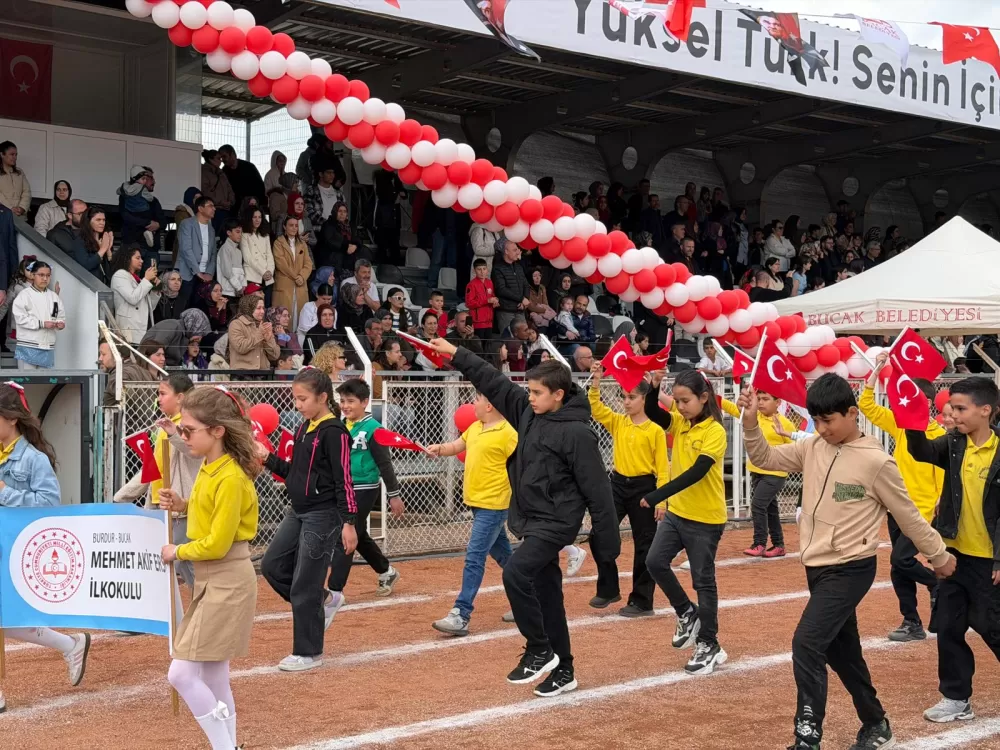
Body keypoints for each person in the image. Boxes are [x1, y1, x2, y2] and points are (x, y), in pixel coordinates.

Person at [738, 375, 955, 750]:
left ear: (852, 413)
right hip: (817, 567)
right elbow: (764, 457)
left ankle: (807, 737)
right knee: (843, 652)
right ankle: (876, 723)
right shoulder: (812, 448)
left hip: (852, 566)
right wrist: (751, 421)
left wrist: (938, 557)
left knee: (806, 643)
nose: (821, 429)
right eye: (816, 421)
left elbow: (909, 517)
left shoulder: (876, 462)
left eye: (829, 421)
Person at [425, 338, 619, 697]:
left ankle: (539, 647)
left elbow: (598, 493)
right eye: (528, 390)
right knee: (548, 596)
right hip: (532, 520)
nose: (528, 396)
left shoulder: (578, 433)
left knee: (515, 572)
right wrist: (456, 354)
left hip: (557, 523)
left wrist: (606, 546)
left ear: (558, 394)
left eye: (536, 392)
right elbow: (493, 381)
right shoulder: (528, 413)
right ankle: (564, 669)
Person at [158, 387, 260, 750]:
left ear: (217, 430)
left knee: (182, 673)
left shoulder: (230, 476)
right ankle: (228, 744)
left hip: (226, 578)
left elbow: (218, 543)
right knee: (216, 676)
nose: (182, 436)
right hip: (213, 579)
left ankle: (225, 747)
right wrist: (183, 504)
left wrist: (177, 550)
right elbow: (211, 518)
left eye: (188, 430)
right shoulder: (210, 466)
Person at [904, 376, 1000, 725]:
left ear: (985, 410)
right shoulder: (954, 444)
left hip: (990, 560)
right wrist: (914, 423)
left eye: (960, 408)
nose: (952, 414)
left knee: (993, 627)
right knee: (948, 627)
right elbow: (923, 452)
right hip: (954, 556)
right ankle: (956, 698)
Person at [0, 384, 90, 712]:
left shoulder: (34, 460)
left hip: (13, 551)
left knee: (7, 619)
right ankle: (69, 644)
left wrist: (4, 491)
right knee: (6, 620)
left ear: (11, 419)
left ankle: (70, 644)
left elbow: (49, 505)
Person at [260, 368, 355, 671]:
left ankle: (309, 651)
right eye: (295, 398)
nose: (297, 404)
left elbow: (344, 480)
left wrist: (349, 522)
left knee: (305, 582)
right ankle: (325, 600)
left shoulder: (335, 432)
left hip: (323, 514)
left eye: (302, 399)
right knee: (272, 565)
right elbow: (293, 473)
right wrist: (267, 459)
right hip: (297, 510)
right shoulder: (304, 428)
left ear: (323, 398)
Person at [640, 369, 729, 676]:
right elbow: (652, 410)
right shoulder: (681, 424)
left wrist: (656, 495)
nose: (680, 407)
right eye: (676, 401)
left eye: (686, 401)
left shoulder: (714, 431)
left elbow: (697, 472)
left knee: (704, 582)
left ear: (704, 398)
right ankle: (686, 612)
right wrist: (654, 388)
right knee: (655, 562)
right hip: (678, 513)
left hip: (705, 519)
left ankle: (709, 643)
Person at [859, 353, 945, 642]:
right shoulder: (900, 424)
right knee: (898, 567)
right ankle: (911, 621)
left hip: (920, 510)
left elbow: (943, 480)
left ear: (930, 404)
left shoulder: (939, 435)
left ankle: (937, 584)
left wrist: (938, 506)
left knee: (901, 560)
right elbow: (866, 405)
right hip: (895, 507)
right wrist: (878, 369)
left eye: (917, 398)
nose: (908, 403)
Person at [428, 391, 518, 636]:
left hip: (494, 504)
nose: (472, 404)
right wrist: (439, 449)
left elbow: (524, 463)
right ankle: (529, 602)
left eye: (476, 399)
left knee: (474, 557)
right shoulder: (476, 427)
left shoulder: (509, 432)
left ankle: (461, 613)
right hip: (477, 504)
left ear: (489, 405)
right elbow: (458, 446)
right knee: (506, 559)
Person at [587, 362, 668, 617]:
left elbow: (662, 468)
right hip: (618, 484)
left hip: (645, 488)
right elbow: (596, 409)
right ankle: (609, 588)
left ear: (644, 399)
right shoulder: (619, 422)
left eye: (632, 397)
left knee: (645, 544)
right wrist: (597, 381)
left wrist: (661, 500)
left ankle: (642, 601)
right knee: (599, 534)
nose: (626, 401)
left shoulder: (655, 430)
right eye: (624, 397)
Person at [113, 374, 199, 589]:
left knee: (182, 560)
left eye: (162, 393)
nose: (158, 399)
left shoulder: (191, 424)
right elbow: (153, 468)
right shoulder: (163, 427)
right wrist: (124, 494)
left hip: (181, 507)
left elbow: (192, 452)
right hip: (159, 505)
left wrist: (173, 433)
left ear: (180, 398)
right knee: (161, 560)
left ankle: (207, 604)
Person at [331, 379, 403, 601]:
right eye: (342, 401)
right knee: (357, 534)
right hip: (344, 487)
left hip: (364, 488)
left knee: (345, 534)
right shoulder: (340, 425)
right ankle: (386, 571)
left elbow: (385, 464)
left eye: (350, 401)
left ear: (364, 402)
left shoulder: (374, 429)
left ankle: (334, 590)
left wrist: (394, 494)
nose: (345, 405)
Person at [720, 392, 795, 558]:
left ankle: (759, 543)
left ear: (778, 402)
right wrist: (715, 397)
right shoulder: (754, 416)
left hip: (776, 472)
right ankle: (778, 545)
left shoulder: (785, 423)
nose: (760, 403)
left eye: (766, 399)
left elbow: (795, 448)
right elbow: (733, 409)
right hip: (757, 471)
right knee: (771, 509)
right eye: (759, 399)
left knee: (758, 505)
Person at [12, 260, 65, 370]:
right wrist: (41, 324)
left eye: (48, 275)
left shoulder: (54, 297)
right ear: (32, 275)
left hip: (47, 346)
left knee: (44, 384)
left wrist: (60, 323)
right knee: (27, 382)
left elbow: (59, 315)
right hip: (28, 345)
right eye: (41, 275)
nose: (45, 279)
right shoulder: (24, 295)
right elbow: (20, 318)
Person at [117, 165, 164, 270]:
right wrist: (147, 223)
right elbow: (126, 216)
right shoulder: (126, 197)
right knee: (131, 280)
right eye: (150, 178)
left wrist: (158, 224)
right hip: (133, 246)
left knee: (150, 283)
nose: (154, 181)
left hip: (151, 251)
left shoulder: (154, 201)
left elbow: (163, 221)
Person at [110, 245, 160, 344]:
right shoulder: (120, 275)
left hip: (140, 328)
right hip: (129, 330)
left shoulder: (137, 278)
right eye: (137, 258)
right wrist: (146, 279)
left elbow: (149, 308)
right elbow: (133, 299)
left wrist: (155, 290)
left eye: (141, 258)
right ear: (127, 258)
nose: (141, 261)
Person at [272, 214, 314, 331]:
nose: (294, 228)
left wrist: (302, 276)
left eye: (296, 225)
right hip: (285, 285)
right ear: (284, 227)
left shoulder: (302, 244)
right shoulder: (278, 243)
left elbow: (308, 264)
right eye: (291, 225)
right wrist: (297, 276)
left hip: (300, 286)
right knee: (283, 319)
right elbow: (281, 264)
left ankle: (297, 346)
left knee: (299, 317)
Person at [176, 196, 218, 310]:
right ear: (200, 208)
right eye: (210, 206)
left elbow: (214, 253)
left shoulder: (211, 229)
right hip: (188, 273)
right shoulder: (187, 224)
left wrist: (209, 272)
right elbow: (186, 249)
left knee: (201, 308)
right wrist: (197, 272)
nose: (214, 209)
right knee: (184, 307)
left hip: (205, 275)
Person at [227, 293, 279, 371]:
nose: (262, 311)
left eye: (263, 308)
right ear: (249, 308)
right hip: (242, 374)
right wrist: (260, 334)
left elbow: (275, 355)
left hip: (263, 373)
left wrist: (268, 341)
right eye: (258, 308)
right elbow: (241, 347)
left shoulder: (263, 325)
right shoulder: (236, 324)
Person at [492, 238, 530, 335]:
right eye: (514, 250)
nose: (517, 252)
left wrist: (525, 300)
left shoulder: (518, 267)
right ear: (506, 251)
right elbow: (501, 289)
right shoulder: (497, 268)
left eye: (517, 249)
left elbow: (526, 285)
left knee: (524, 338)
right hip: (506, 311)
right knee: (508, 340)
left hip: (520, 310)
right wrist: (521, 299)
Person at [240, 208, 274, 307]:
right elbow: (248, 258)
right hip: (252, 275)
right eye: (254, 217)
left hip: (268, 278)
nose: (257, 220)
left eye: (259, 217)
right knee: (253, 307)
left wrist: (270, 272)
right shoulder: (244, 235)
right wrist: (263, 272)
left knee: (266, 306)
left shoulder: (265, 235)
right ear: (249, 218)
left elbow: (270, 255)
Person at [218, 144, 265, 209]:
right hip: (233, 206)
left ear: (232, 154)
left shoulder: (249, 167)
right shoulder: (224, 171)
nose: (222, 160)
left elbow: (260, 187)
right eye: (221, 158)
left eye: (224, 156)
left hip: (251, 204)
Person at [200, 150, 235, 233]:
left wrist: (231, 201)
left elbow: (229, 188)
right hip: (214, 210)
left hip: (226, 210)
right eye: (218, 158)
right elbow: (205, 191)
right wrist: (221, 202)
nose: (221, 160)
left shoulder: (222, 173)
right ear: (211, 159)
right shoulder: (204, 172)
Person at [466, 258, 498, 340]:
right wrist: (486, 301)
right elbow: (469, 303)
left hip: (489, 321)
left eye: (484, 269)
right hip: (478, 323)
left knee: (488, 347)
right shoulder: (471, 285)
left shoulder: (489, 282)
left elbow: (492, 295)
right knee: (479, 346)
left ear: (487, 269)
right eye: (479, 269)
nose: (482, 272)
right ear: (474, 271)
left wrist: (495, 301)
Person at [217, 219, 246, 300]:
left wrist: (243, 285)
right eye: (237, 232)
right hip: (227, 292)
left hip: (237, 291)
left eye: (241, 232)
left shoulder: (238, 251)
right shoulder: (225, 248)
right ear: (229, 233)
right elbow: (227, 272)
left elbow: (241, 271)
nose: (240, 234)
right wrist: (239, 287)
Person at [0, 141, 30, 216]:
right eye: (12, 154)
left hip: (20, 215)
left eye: (16, 155)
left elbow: (27, 192)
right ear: (2, 154)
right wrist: (10, 208)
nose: (15, 157)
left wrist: (22, 208)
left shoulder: (20, 173)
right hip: (3, 214)